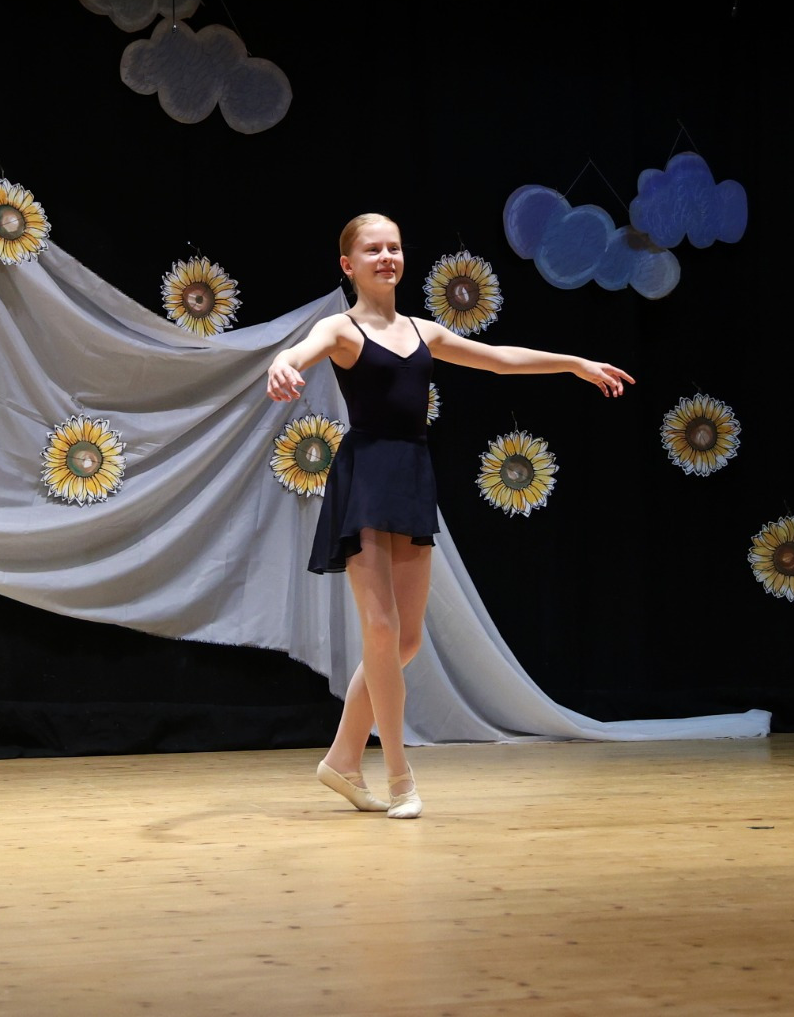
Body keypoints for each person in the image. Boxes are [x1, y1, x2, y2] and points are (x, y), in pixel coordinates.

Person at [265, 213, 634, 819]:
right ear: (348, 265)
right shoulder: (341, 329)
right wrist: (282, 364)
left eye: (394, 247)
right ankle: (400, 777)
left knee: (405, 640)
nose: (387, 257)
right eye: (373, 249)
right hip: (365, 477)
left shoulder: (423, 332)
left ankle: (342, 759)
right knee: (380, 631)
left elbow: (499, 359)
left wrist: (573, 363)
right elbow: (297, 352)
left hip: (412, 476)